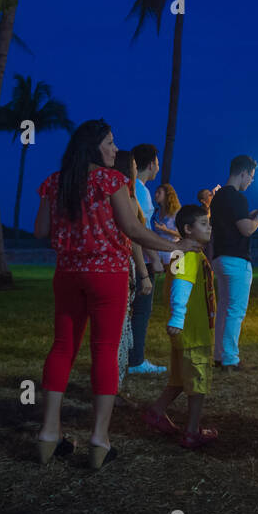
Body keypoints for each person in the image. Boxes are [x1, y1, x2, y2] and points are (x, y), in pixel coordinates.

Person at [33, 121, 177, 469]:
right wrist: (176, 244)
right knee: (105, 350)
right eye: (110, 143)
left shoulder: (55, 182)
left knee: (62, 346)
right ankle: (99, 440)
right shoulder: (112, 181)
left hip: (67, 273)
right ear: (94, 146)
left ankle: (48, 435)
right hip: (106, 275)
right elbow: (132, 229)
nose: (116, 150)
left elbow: (40, 231)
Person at [142, 205, 220, 448]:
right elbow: (180, 287)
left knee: (179, 378)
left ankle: (156, 412)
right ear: (188, 229)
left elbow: (177, 282)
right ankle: (192, 431)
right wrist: (177, 317)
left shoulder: (182, 254)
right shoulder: (189, 255)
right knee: (197, 383)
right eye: (204, 224)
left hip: (185, 332)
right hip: (193, 331)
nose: (209, 227)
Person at [209, 156, 258, 371]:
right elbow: (246, 229)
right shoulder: (237, 197)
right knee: (235, 311)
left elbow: (231, 222)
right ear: (243, 173)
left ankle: (219, 355)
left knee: (225, 309)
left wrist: (250, 215)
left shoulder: (218, 198)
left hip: (220, 257)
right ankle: (230, 359)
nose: (251, 181)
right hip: (237, 259)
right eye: (251, 177)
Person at [113, 151, 155, 400]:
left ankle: (112, 382)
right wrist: (144, 270)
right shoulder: (125, 193)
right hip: (121, 265)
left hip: (100, 266)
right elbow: (134, 232)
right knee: (120, 327)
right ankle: (113, 386)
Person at [127, 144, 166, 375]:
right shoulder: (139, 191)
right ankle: (135, 360)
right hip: (139, 260)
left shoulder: (137, 189)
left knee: (136, 310)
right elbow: (140, 230)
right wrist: (154, 259)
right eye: (157, 163)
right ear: (151, 164)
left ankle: (131, 357)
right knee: (141, 311)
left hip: (140, 258)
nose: (158, 167)